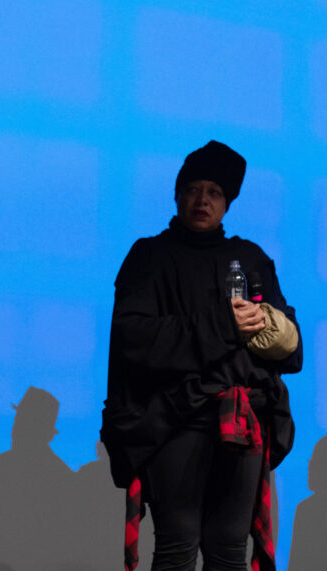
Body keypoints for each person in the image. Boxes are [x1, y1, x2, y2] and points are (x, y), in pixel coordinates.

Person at [101, 141, 301, 571]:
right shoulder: (149, 256)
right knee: (177, 546)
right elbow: (134, 338)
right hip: (175, 419)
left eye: (214, 192)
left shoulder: (250, 258)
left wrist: (271, 327)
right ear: (177, 195)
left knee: (229, 549)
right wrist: (223, 325)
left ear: (228, 202)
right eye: (193, 189)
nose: (202, 200)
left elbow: (291, 348)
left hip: (243, 418)